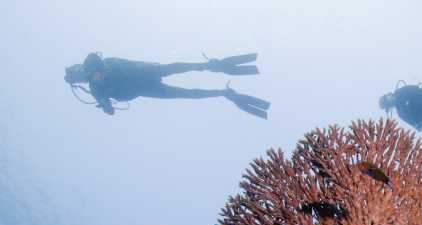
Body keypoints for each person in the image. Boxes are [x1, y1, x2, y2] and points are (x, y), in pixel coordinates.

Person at [64, 52, 270, 119]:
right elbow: (110, 111)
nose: (96, 77)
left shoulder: (95, 66)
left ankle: (214, 67)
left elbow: (101, 59)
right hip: (144, 86)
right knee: (185, 91)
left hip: (144, 74)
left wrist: (104, 99)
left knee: (180, 70)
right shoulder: (96, 89)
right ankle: (224, 91)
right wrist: (104, 104)